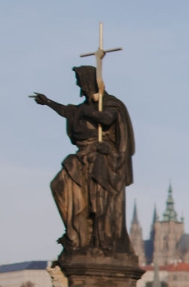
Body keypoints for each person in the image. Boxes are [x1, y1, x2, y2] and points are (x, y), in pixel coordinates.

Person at [30, 65, 135, 254]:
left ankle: (100, 241)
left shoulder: (110, 103)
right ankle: (75, 234)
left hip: (102, 159)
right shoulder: (83, 107)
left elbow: (107, 119)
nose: (79, 87)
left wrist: (90, 110)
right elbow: (67, 111)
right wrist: (47, 102)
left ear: (88, 82)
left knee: (98, 201)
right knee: (59, 185)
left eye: (80, 83)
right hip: (82, 156)